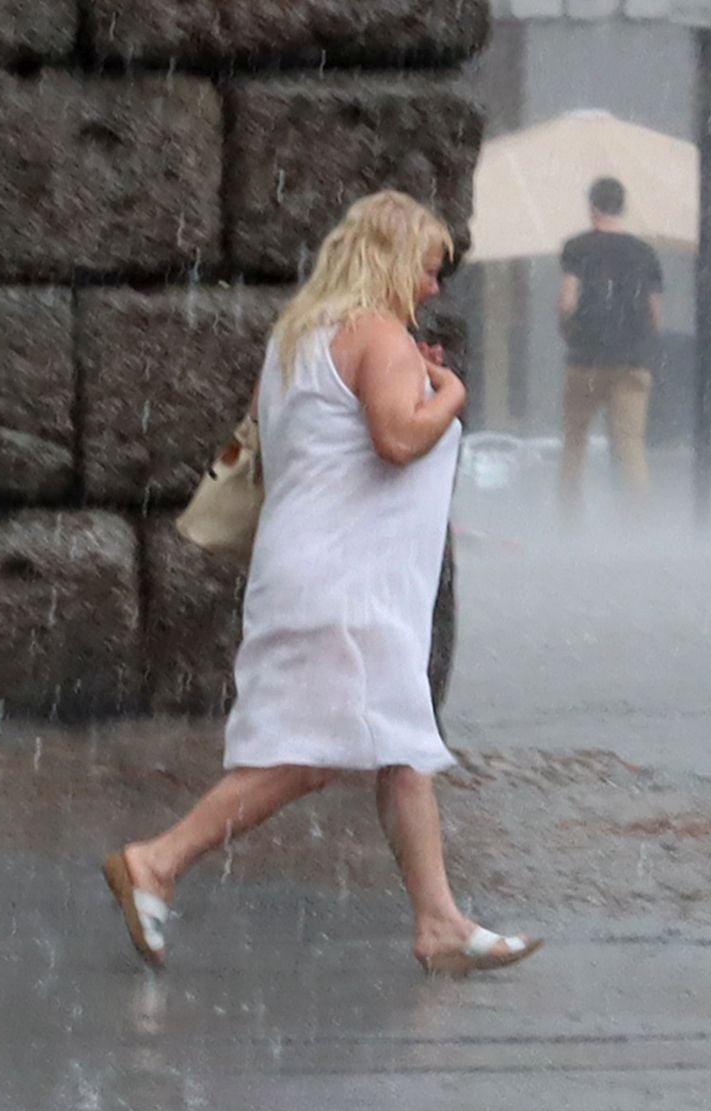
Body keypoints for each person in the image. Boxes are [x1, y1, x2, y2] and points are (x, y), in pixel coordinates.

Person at [102, 190, 540, 978]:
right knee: (305, 758)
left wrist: (413, 377)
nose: (436, 288)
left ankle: (439, 920)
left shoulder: (299, 339)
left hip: (310, 570)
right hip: (352, 585)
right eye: (431, 270)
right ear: (395, 261)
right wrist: (452, 394)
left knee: (400, 746)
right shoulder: (381, 336)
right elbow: (399, 439)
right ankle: (158, 860)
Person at [557, 176, 663, 521]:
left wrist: (570, 333)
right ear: (623, 207)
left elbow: (567, 302)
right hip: (632, 362)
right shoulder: (645, 254)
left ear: (592, 207)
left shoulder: (577, 248)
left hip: (586, 359)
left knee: (574, 441)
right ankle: (634, 525)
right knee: (630, 445)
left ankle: (570, 522)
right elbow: (655, 314)